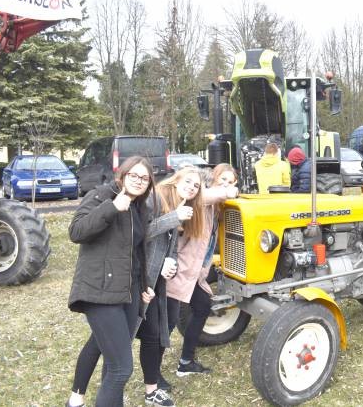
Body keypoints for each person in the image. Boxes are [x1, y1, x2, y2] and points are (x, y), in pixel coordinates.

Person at [66, 156, 176, 407]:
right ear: (122, 175)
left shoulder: (140, 208)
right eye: (134, 175)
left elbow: (137, 251)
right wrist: (112, 207)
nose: (139, 181)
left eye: (145, 178)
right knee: (121, 369)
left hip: (127, 292)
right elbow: (76, 231)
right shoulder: (101, 195)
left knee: (112, 362)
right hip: (99, 291)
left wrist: (145, 285)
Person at [134, 167, 204, 407]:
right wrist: (175, 216)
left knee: (158, 330)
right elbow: (143, 232)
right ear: (176, 179)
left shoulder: (179, 202)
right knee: (128, 333)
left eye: (196, 186)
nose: (192, 187)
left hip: (158, 279)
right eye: (189, 182)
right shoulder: (157, 196)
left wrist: (170, 260)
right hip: (139, 278)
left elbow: (170, 242)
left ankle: (152, 383)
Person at [165, 163, 239, 377]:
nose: (226, 185)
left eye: (230, 181)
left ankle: (186, 361)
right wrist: (227, 191)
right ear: (213, 181)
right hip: (179, 269)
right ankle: (152, 375)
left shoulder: (218, 209)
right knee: (167, 323)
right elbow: (205, 195)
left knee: (203, 306)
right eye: (222, 180)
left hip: (196, 273)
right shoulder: (202, 199)